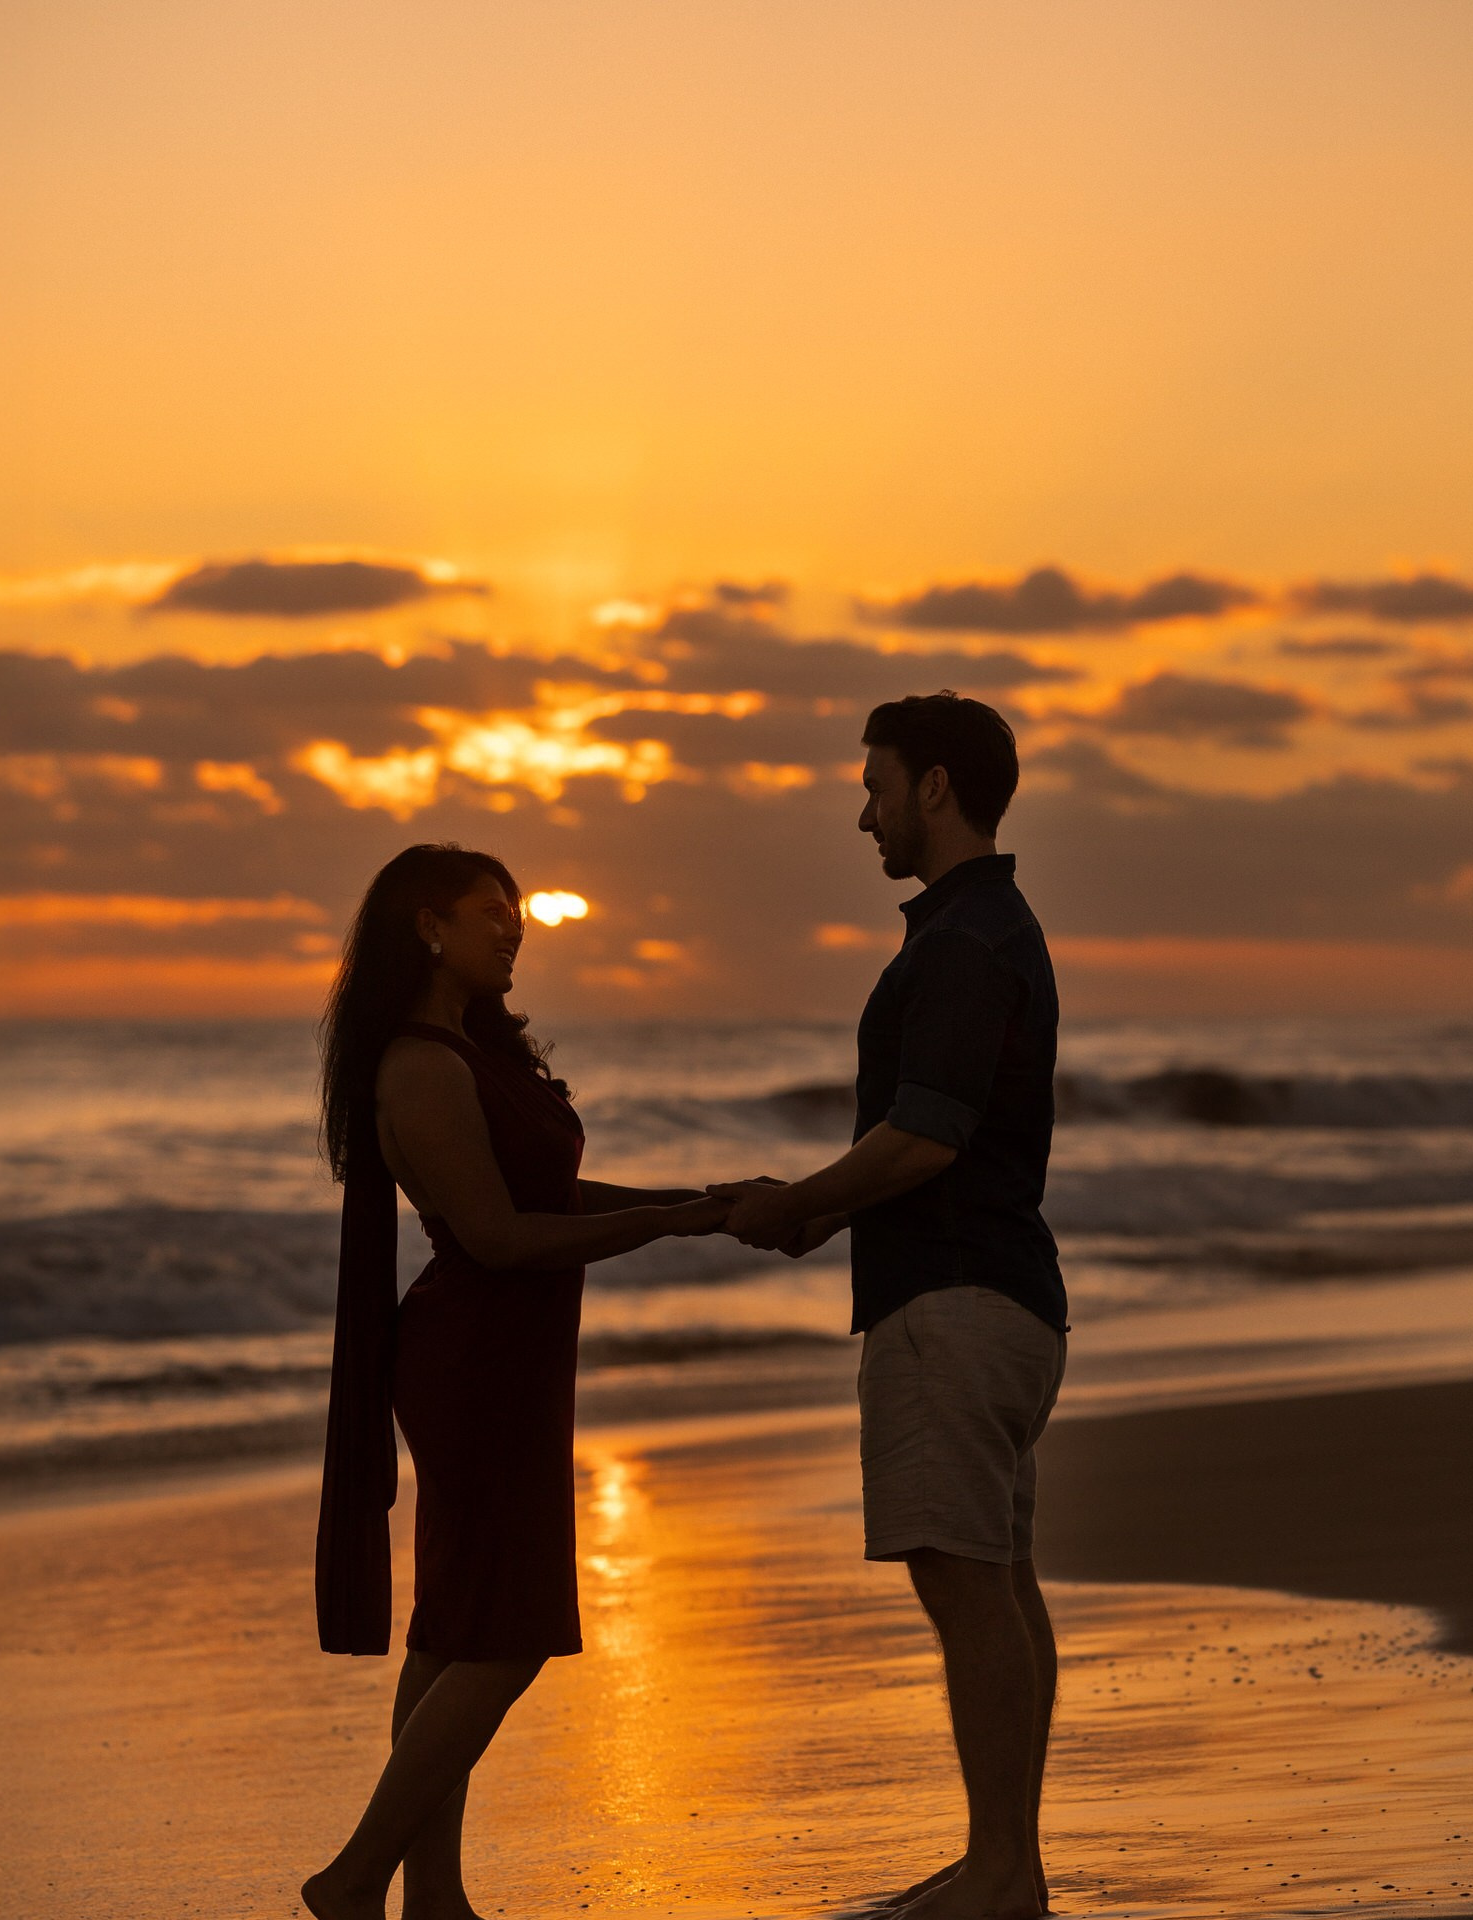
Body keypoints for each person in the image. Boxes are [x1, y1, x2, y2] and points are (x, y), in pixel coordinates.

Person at [304, 843, 728, 1920]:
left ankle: (432, 1898)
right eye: (490, 913)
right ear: (427, 928)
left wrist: (705, 1200)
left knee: (455, 1628)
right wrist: (683, 1217)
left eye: (520, 913)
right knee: (511, 1631)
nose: (514, 930)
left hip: (511, 1361)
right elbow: (495, 1236)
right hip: (474, 1366)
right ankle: (356, 1878)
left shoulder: (476, 1051)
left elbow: (558, 1195)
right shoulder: (419, 1065)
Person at [712, 693, 1066, 1920]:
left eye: (875, 785)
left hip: (954, 1299)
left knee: (966, 1579)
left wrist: (803, 1204)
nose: (861, 812)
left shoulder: (964, 941)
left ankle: (1002, 1871)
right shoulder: (984, 928)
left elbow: (926, 1135)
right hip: (1004, 1295)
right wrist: (818, 1207)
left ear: (935, 788)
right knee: (998, 1579)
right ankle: (1004, 1861)